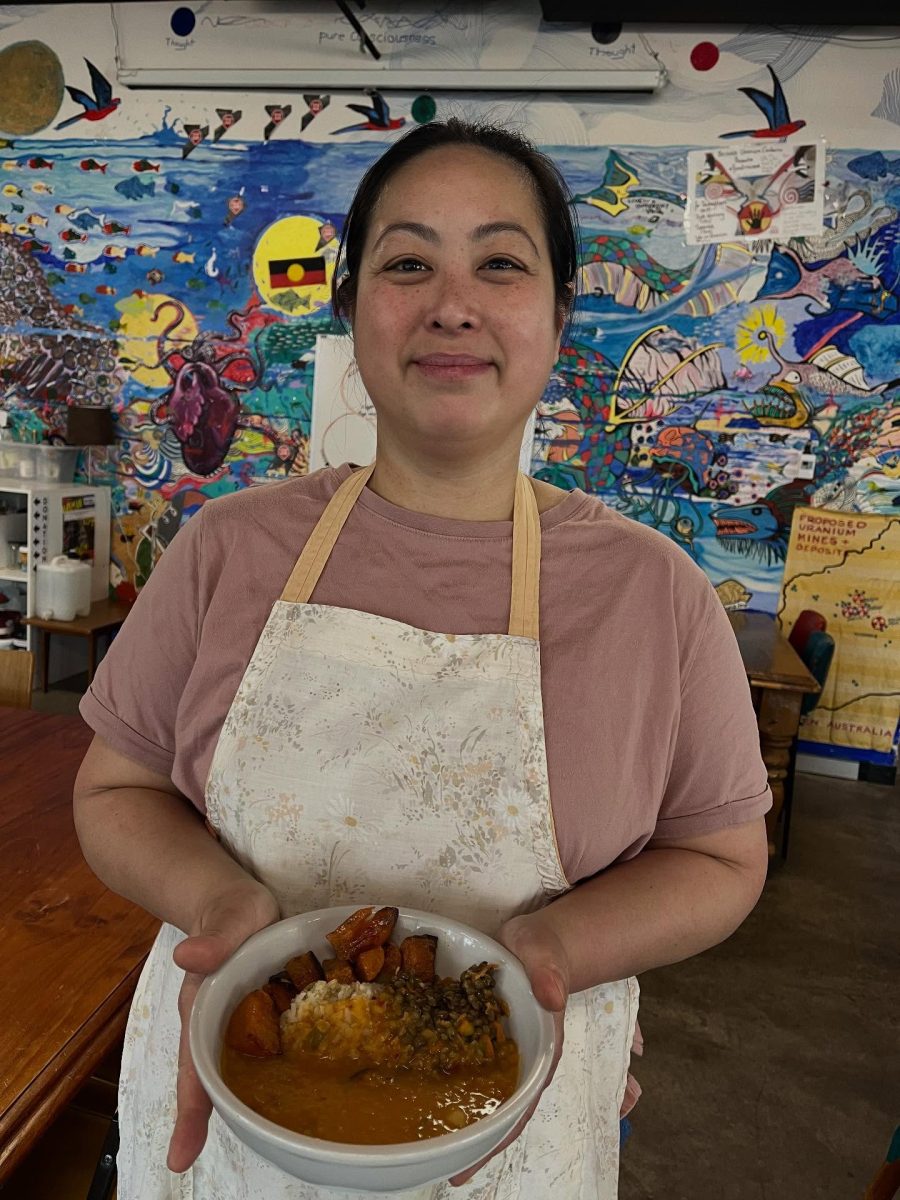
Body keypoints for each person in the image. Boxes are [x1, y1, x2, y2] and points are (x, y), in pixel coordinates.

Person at [73, 119, 771, 1199]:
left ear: (559, 313)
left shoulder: (655, 593)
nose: (454, 302)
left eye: (500, 262)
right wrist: (217, 905)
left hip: (509, 1121)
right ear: (350, 307)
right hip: (229, 1108)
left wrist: (557, 952)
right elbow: (115, 789)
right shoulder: (227, 546)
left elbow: (724, 861)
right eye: (408, 263)